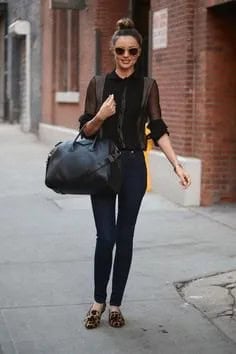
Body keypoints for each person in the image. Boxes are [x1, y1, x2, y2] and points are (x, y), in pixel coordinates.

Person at [79, 18, 191, 329]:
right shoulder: (98, 84)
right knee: (106, 237)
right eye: (120, 50)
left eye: (132, 51)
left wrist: (176, 164)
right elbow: (85, 132)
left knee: (125, 238)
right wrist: (100, 116)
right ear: (112, 52)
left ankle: (115, 305)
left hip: (132, 166)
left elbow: (158, 129)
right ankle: (97, 301)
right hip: (102, 165)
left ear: (139, 52)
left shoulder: (147, 86)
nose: (126, 56)